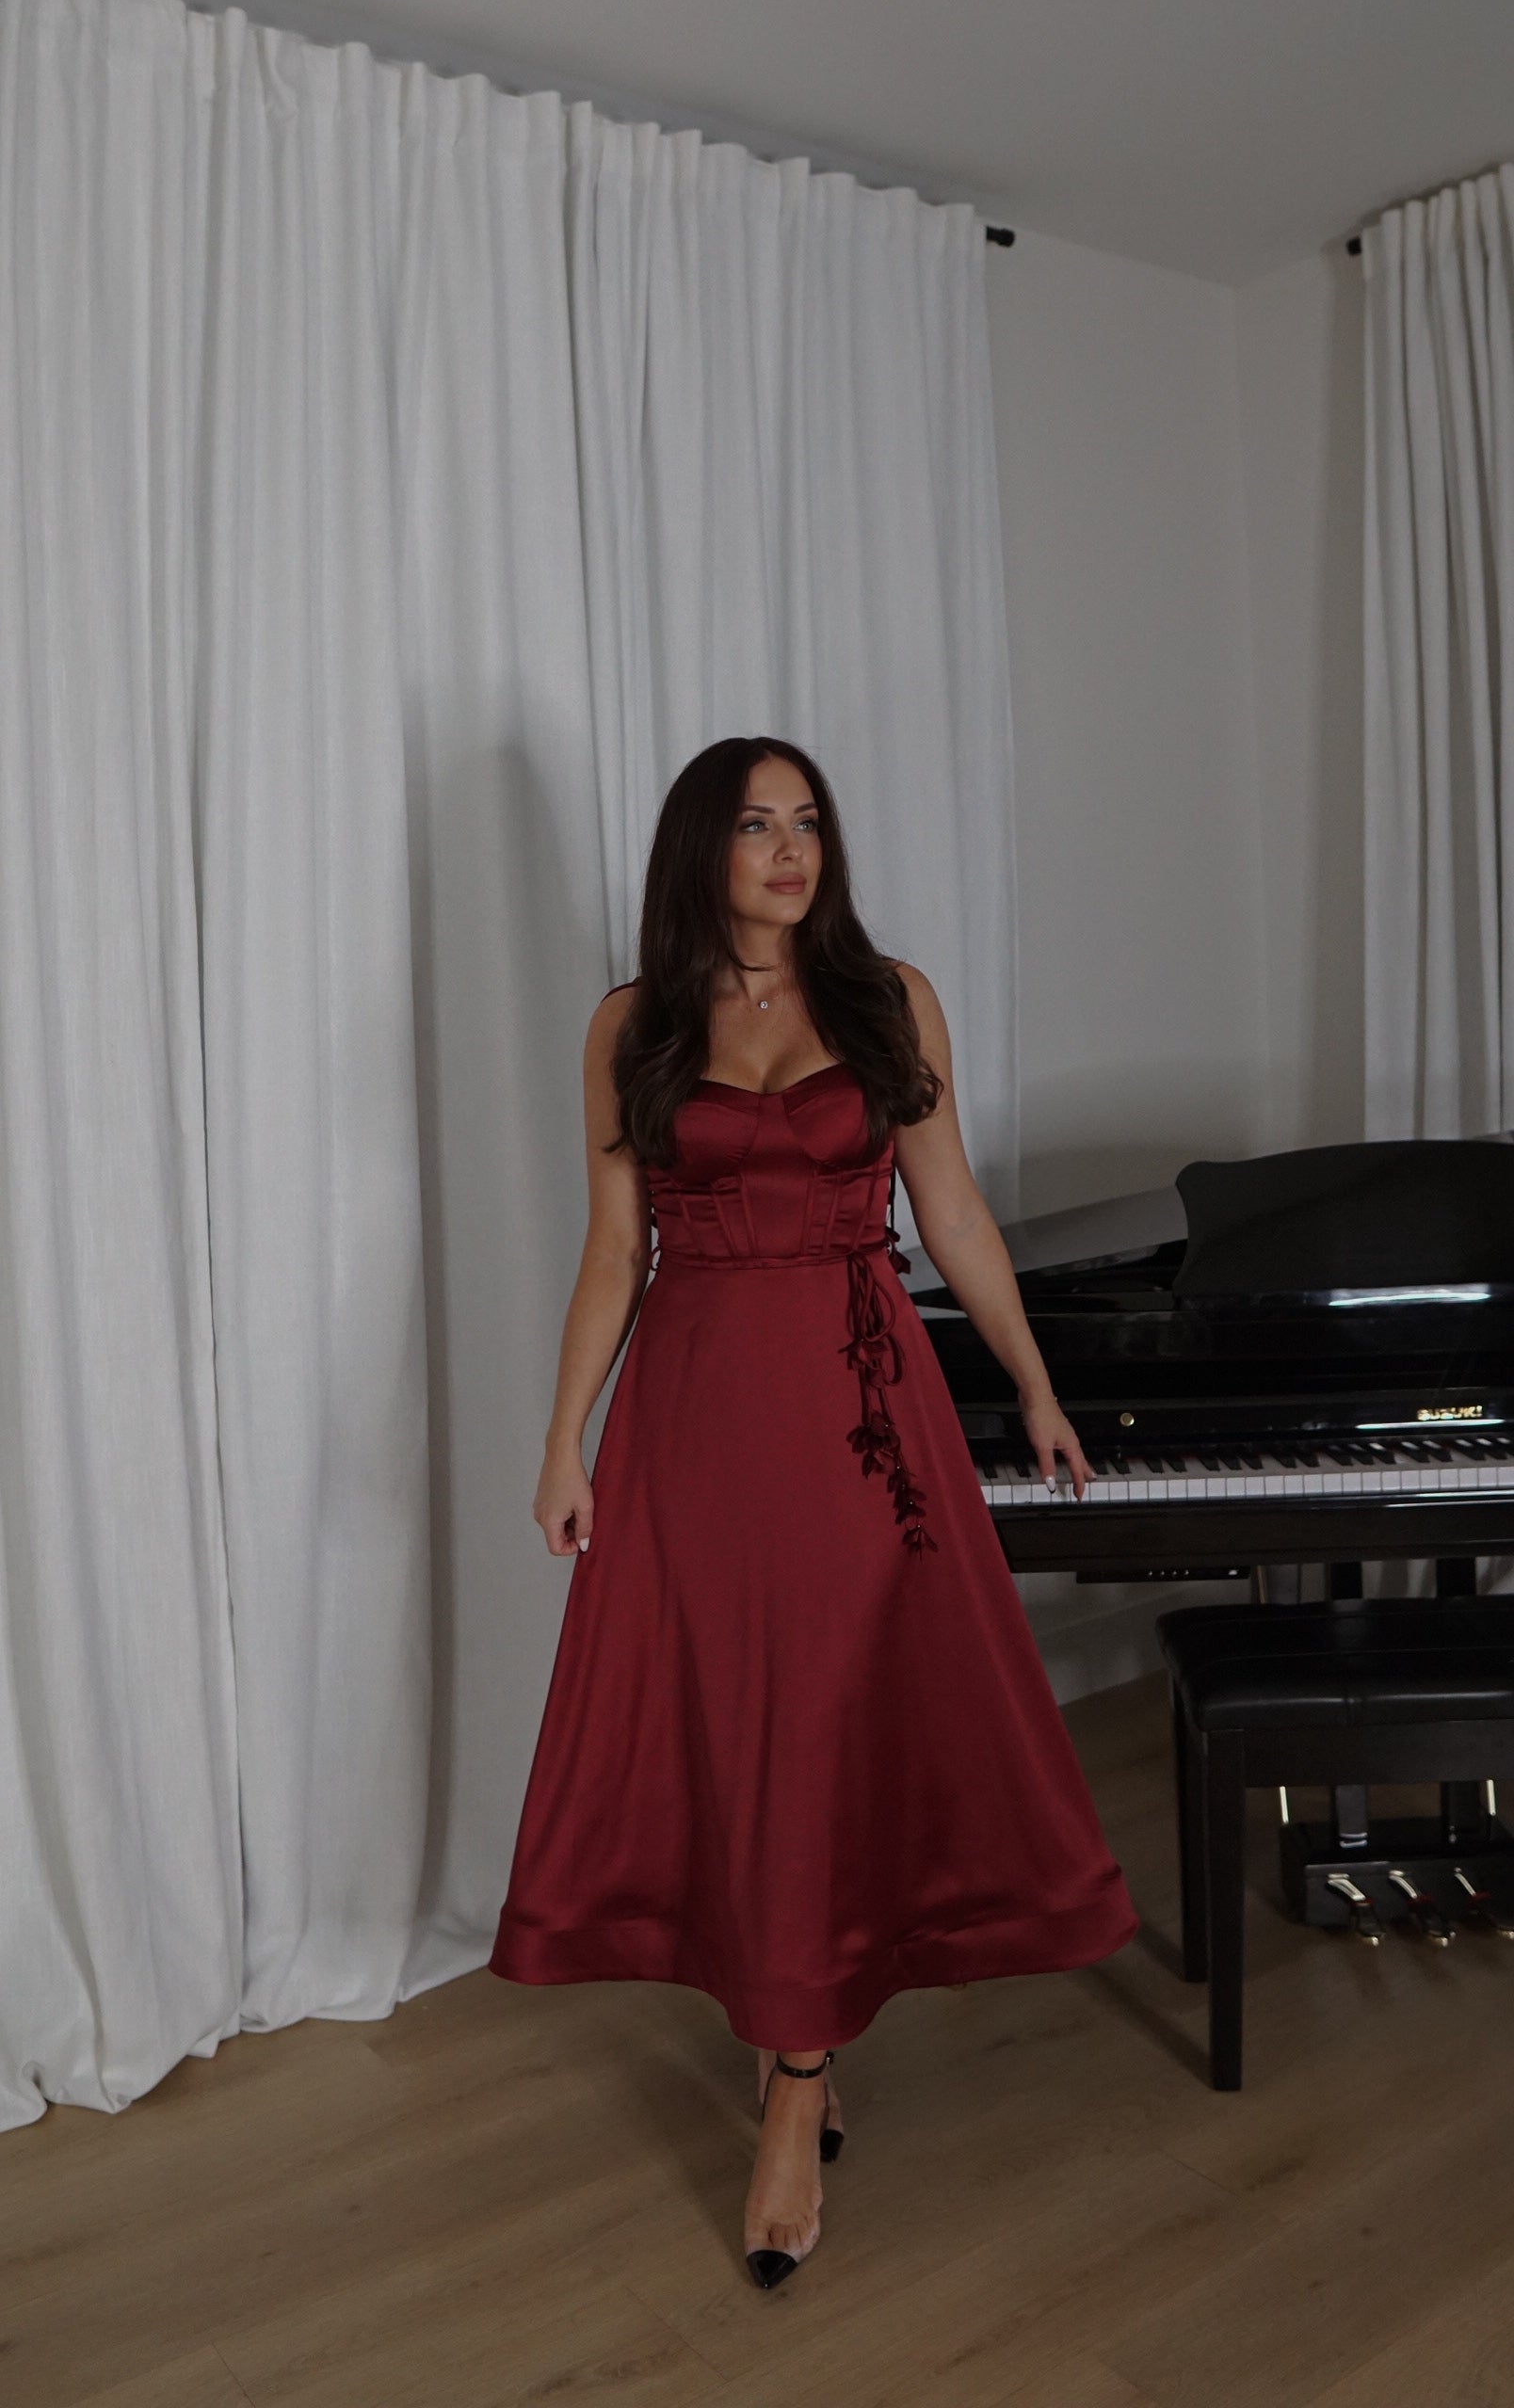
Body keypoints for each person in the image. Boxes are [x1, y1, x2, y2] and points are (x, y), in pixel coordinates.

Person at [489, 736, 1139, 2288]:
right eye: (757, 825)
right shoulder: (632, 1025)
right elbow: (612, 1251)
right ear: (701, 850)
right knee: (738, 1724)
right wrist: (564, 1439)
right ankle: (797, 2039)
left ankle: (795, 2082)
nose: (791, 850)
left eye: (809, 823)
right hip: (696, 1421)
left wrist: (1036, 1383)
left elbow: (951, 1207)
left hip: (863, 1417)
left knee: (834, 1718)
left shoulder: (890, 998)